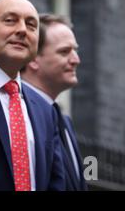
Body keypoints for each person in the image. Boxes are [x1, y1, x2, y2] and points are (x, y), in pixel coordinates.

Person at [0, 0, 65, 190]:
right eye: (10, 20)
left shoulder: (46, 111)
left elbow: (56, 183)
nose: (22, 30)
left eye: (31, 25)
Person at [21, 14, 87, 190]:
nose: (76, 60)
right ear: (33, 58)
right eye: (64, 52)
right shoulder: (19, 118)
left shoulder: (64, 122)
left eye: (75, 50)